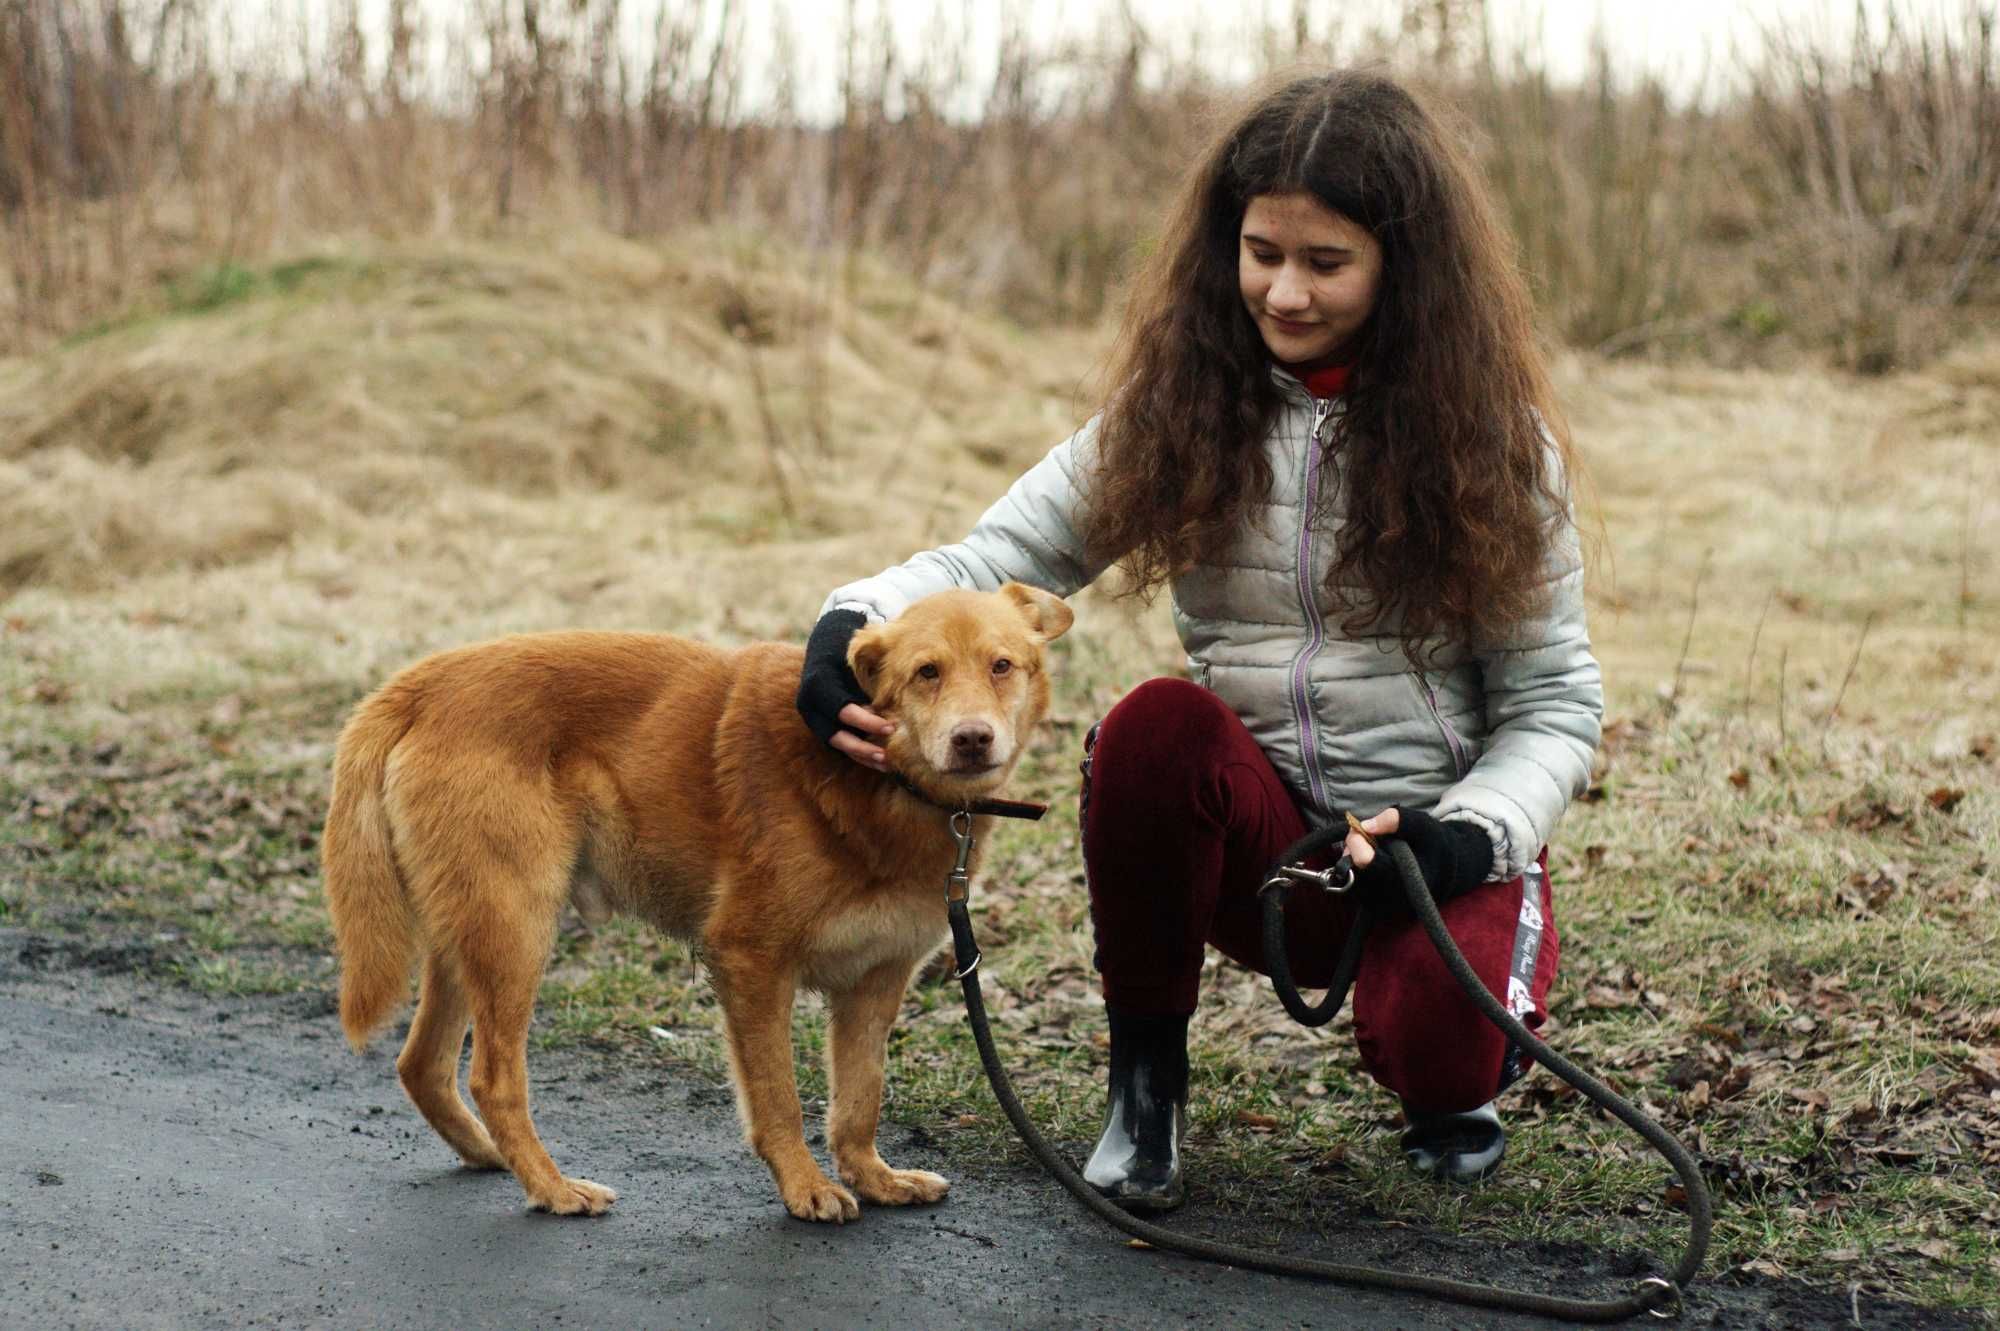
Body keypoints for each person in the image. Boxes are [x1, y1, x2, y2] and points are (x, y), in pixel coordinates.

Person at [794, 68, 1601, 1212]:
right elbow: (989, 556)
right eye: (1261, 250)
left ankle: (1455, 1075)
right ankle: (1144, 1086)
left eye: (1325, 263)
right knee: (1152, 727)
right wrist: (844, 621)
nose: (1282, 290)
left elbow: (1555, 702)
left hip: (1423, 844)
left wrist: (1466, 836)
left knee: (1440, 1043)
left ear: (1402, 269)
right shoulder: (1176, 406)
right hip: (1267, 842)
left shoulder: (1496, 447)